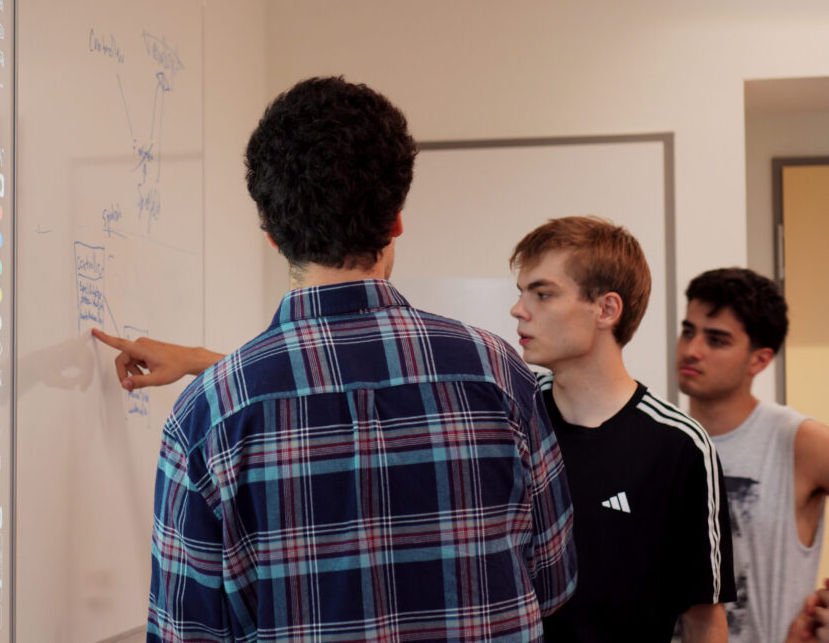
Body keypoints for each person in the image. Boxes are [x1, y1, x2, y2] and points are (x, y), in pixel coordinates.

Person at [95, 76, 577, 641]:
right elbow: (553, 581)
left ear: (270, 232)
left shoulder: (208, 414)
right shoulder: (498, 373)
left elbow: (185, 630)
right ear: (396, 219)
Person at [508, 216, 735, 642]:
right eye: (521, 293)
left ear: (607, 309)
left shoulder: (680, 446)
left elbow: (703, 620)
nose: (519, 309)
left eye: (543, 294)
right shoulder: (510, 421)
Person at [676, 267, 829, 642]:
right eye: (688, 331)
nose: (691, 350)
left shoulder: (799, 440)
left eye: (717, 340)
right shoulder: (659, 438)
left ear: (759, 360)